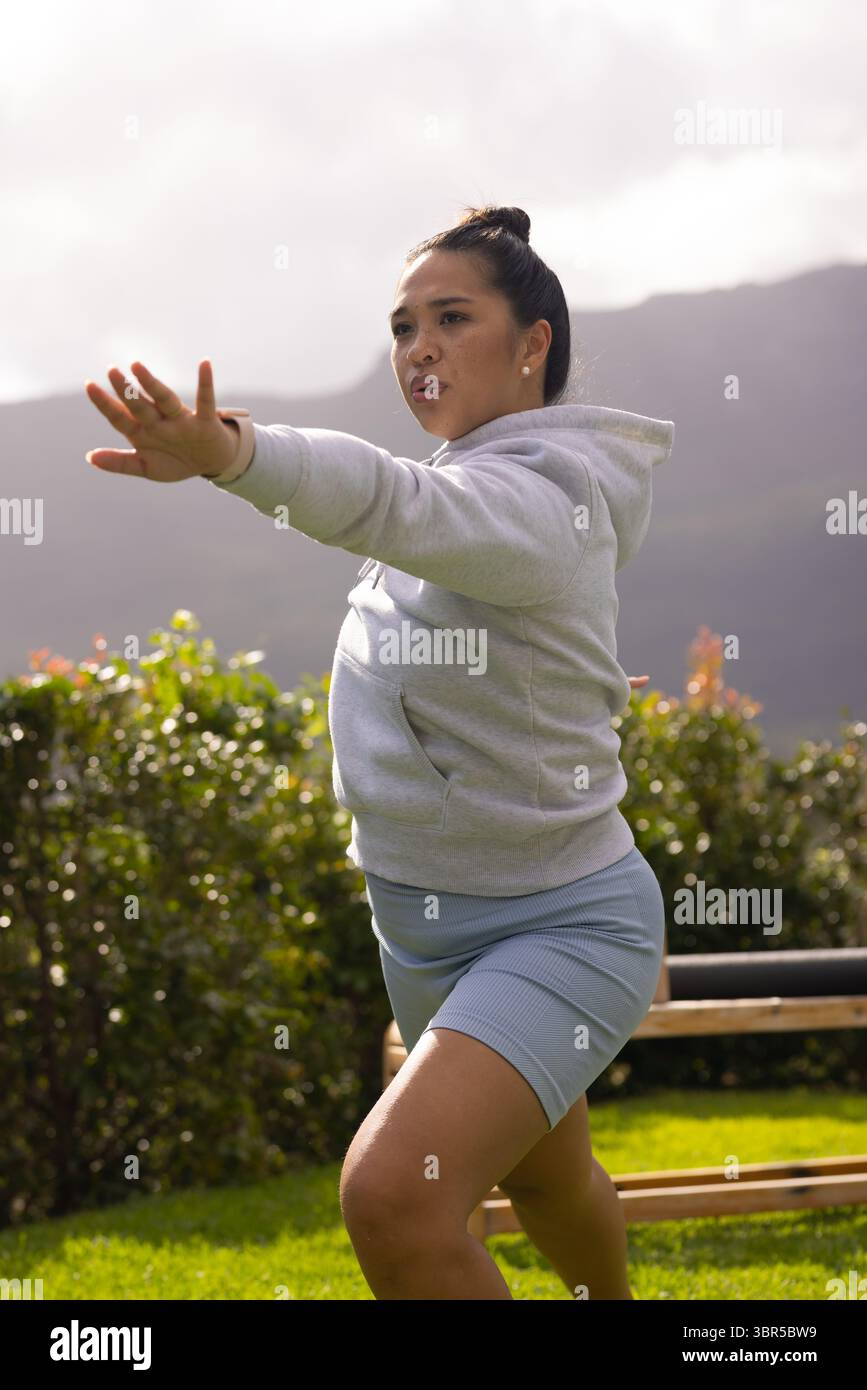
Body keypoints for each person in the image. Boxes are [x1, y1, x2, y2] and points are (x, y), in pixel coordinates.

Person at [84, 203, 675, 1301]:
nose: (419, 347)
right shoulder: (482, 495)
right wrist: (568, 697)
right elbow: (475, 629)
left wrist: (233, 452)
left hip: (564, 921)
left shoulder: (538, 496)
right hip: (423, 925)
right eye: (404, 325)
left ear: (533, 342)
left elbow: (392, 502)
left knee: (394, 1197)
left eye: (452, 317)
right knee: (549, 1181)